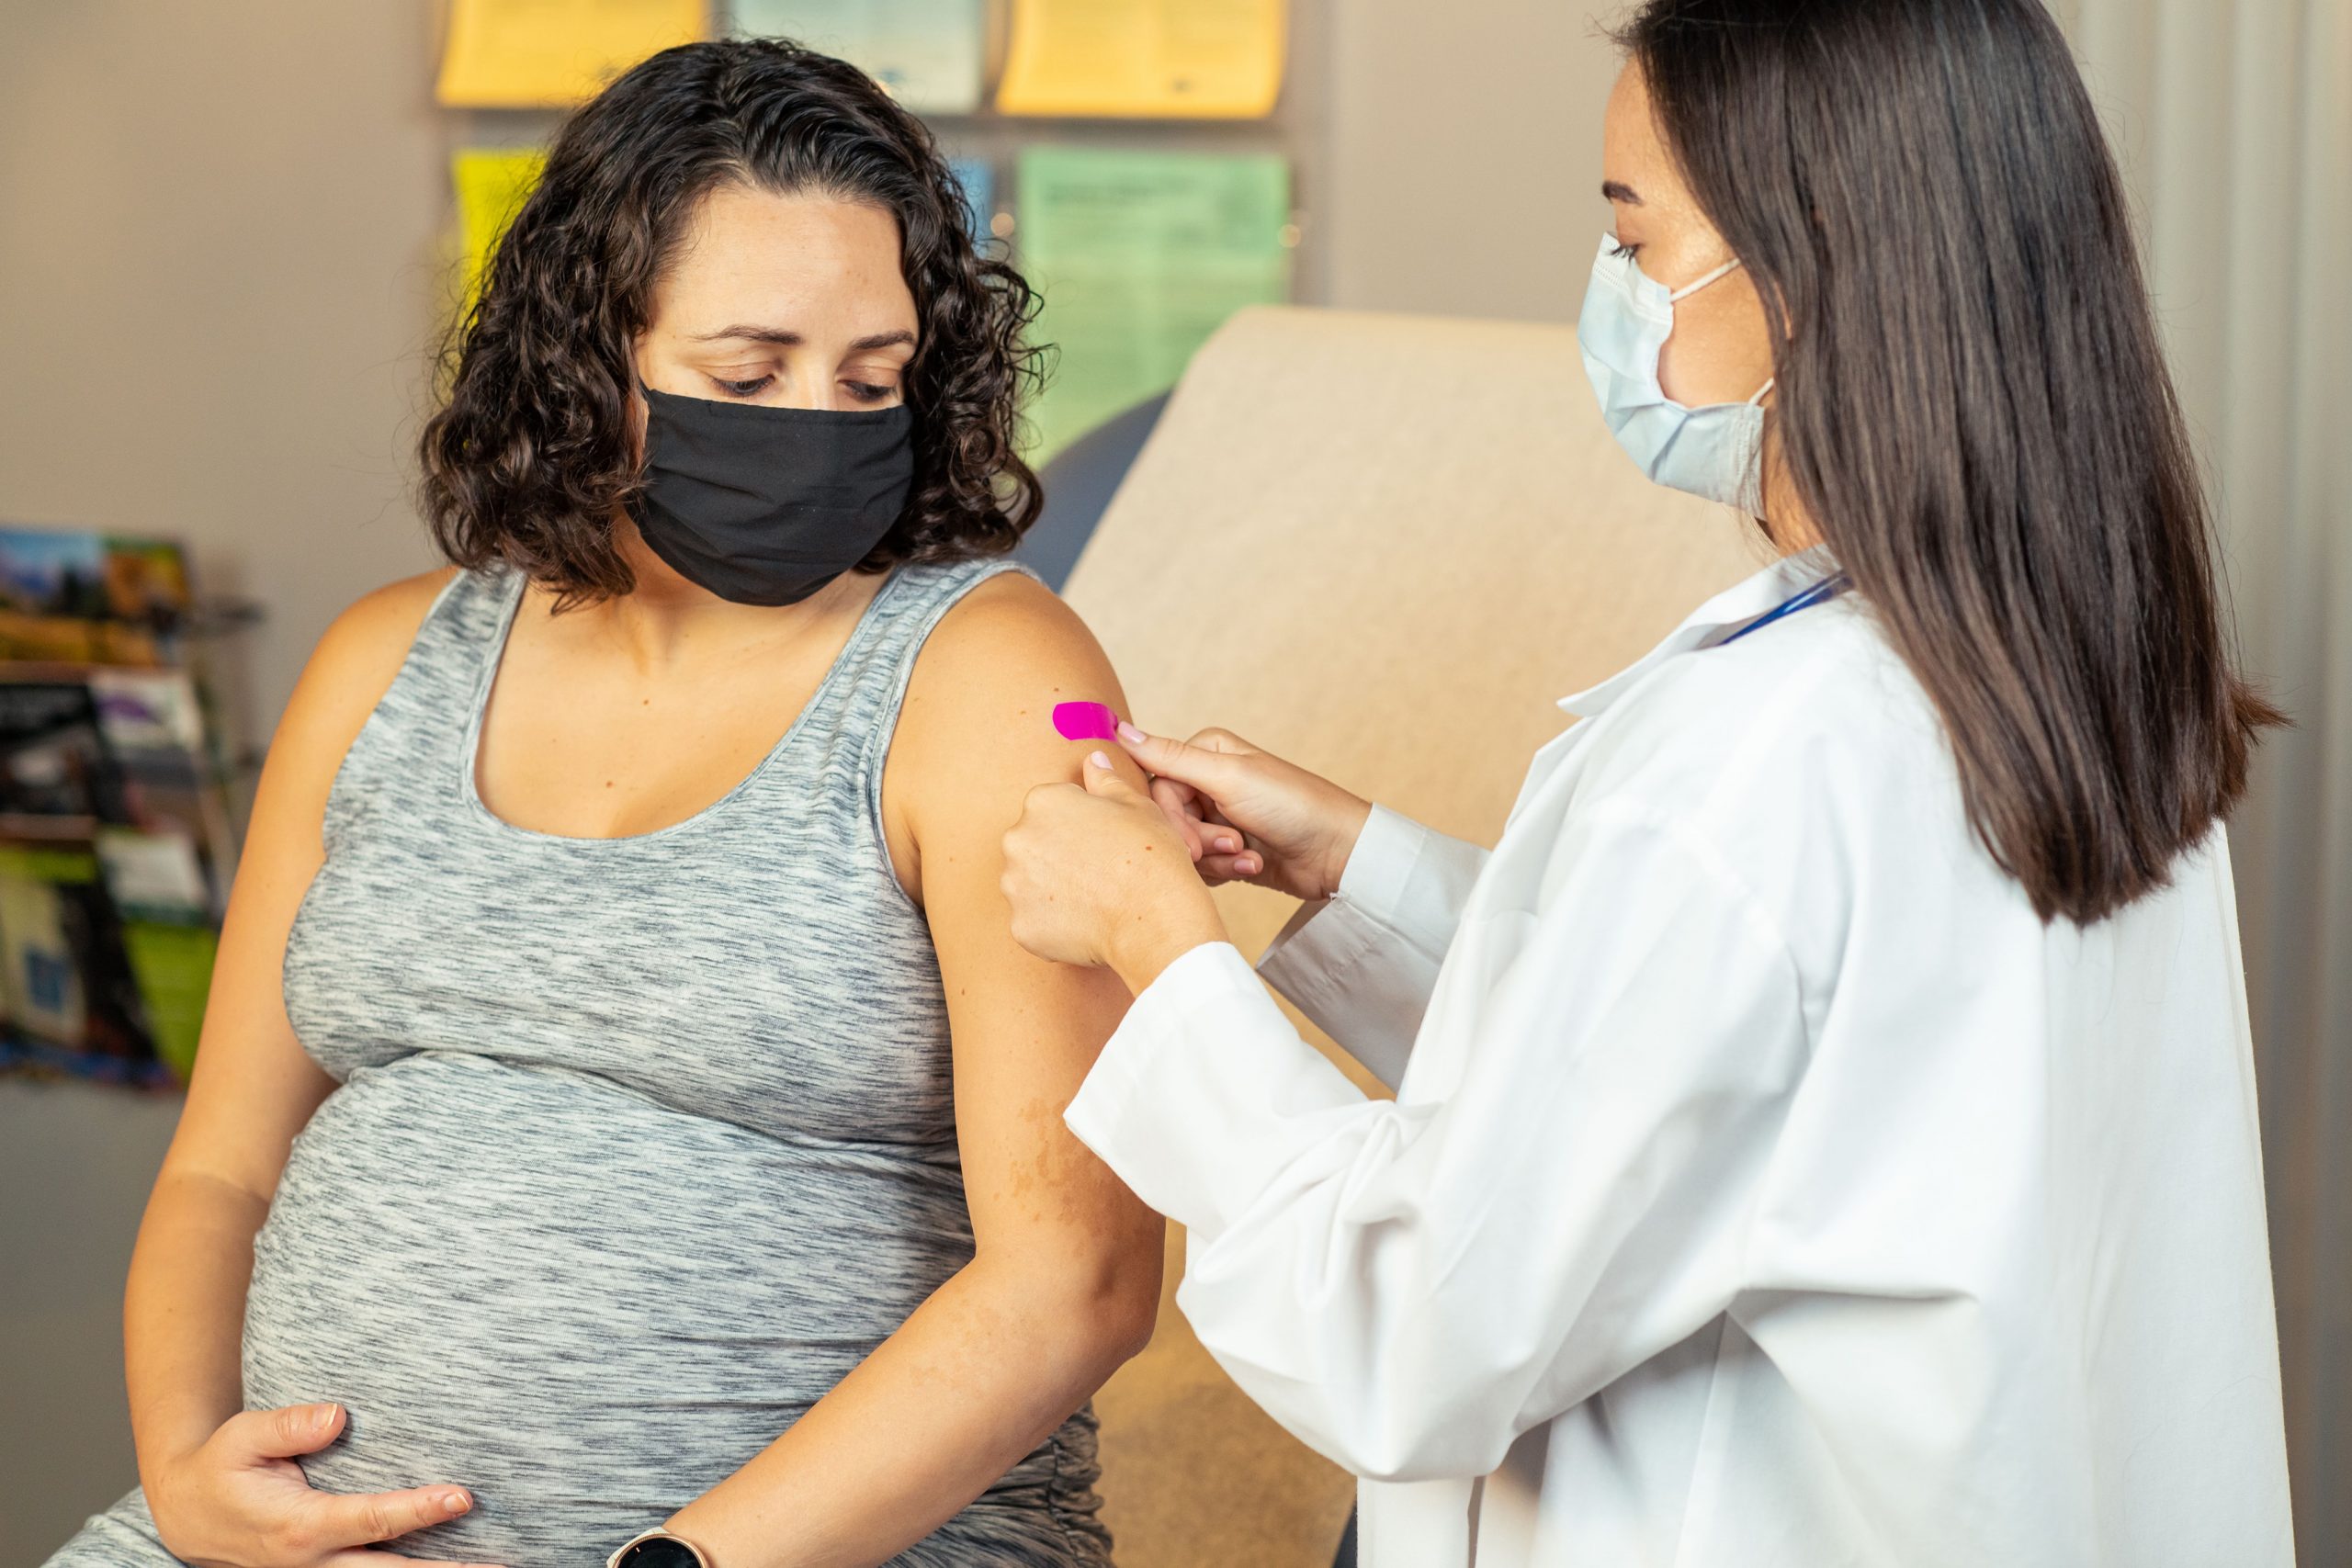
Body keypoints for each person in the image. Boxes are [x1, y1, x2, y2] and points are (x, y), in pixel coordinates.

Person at [997, 1, 2296, 1564]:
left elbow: (1409, 1341)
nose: (1610, 294)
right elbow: (1738, 1067)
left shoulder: (1760, 754)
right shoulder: (2053, 666)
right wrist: (1358, 865)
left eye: (1637, 237)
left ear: (1814, 268)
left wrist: (1161, 953)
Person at [49, 38, 1162, 1568]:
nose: (820, 424)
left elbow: (1080, 1281)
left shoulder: (992, 674)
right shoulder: (385, 659)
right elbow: (223, 1167)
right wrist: (185, 1476)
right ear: (586, 356)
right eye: (748, 374)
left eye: (874, 378)